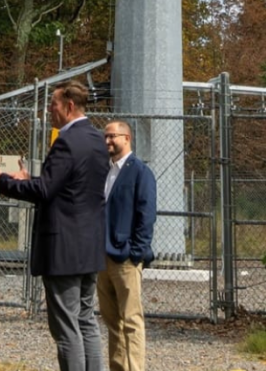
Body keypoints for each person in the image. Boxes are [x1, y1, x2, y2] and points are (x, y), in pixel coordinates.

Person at [0, 80, 108, 371]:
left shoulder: (66, 141)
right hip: (89, 245)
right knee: (86, 321)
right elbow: (64, 188)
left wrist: (3, 183)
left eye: (52, 104)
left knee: (66, 328)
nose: (48, 110)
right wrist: (28, 180)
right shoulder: (96, 139)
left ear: (68, 106)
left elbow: (45, 192)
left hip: (64, 248)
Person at [96, 121, 157, 371]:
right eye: (105, 137)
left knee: (131, 320)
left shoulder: (141, 172)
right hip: (102, 257)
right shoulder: (106, 171)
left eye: (113, 136)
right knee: (112, 322)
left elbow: (147, 215)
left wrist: (135, 253)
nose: (108, 141)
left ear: (127, 138)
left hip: (126, 260)